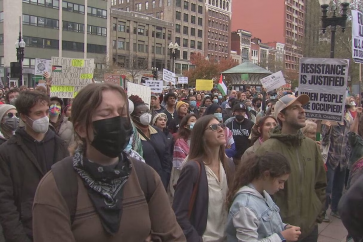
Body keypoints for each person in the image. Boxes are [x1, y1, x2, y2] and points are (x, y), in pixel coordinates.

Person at [32, 83, 185, 242]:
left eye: (121, 112)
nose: (118, 120)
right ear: (81, 128)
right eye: (106, 113)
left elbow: (173, 236)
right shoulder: (56, 185)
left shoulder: (145, 176)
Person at [255, 94, 327, 241]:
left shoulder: (311, 146)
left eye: (302, 107)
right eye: (295, 108)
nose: (302, 111)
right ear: (281, 116)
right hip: (281, 230)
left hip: (309, 229)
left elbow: (320, 184)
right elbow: (257, 191)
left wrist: (316, 214)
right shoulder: (267, 149)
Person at [0, 91, 69, 241]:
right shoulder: (8, 151)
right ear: (24, 117)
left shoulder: (60, 145)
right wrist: (17, 237)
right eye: (38, 113)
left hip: (58, 227)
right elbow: (5, 200)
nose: (44, 117)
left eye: (46, 111)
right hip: (26, 229)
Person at [173, 115, 235, 242]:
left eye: (221, 126)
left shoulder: (228, 165)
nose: (220, 129)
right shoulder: (193, 169)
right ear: (202, 136)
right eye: (213, 127)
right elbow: (179, 214)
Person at [226, 152, 301, 242]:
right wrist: (281, 237)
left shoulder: (264, 193)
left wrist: (284, 227)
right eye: (280, 182)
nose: (282, 187)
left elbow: (265, 225)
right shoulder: (245, 207)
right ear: (266, 175)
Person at [130, 95, 172, 188]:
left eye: (147, 111)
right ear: (133, 116)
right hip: (141, 183)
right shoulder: (131, 136)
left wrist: (165, 178)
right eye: (141, 112)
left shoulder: (157, 132)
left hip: (161, 180)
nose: (146, 115)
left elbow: (167, 156)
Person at [321, 115, 351, 222]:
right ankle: (323, 211)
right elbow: (324, 141)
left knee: (339, 187)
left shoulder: (347, 123)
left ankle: (335, 209)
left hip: (343, 161)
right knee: (328, 188)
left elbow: (348, 141)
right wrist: (327, 129)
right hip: (331, 160)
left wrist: (347, 153)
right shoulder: (330, 124)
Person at [169, 114, 197, 201]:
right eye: (192, 121)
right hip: (182, 174)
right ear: (185, 125)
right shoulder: (180, 142)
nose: (195, 123)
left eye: (196, 120)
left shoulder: (200, 140)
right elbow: (181, 164)